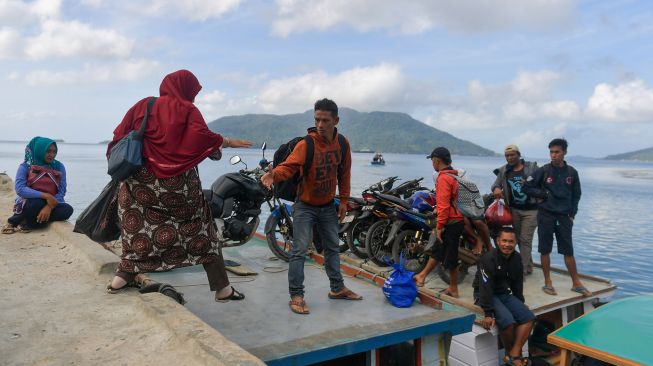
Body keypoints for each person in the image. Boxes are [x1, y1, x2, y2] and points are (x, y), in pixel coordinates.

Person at [106, 69, 252, 303]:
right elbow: (201, 139)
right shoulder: (187, 110)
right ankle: (222, 289)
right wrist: (223, 142)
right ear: (186, 90)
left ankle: (121, 278)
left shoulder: (144, 105)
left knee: (137, 231)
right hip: (179, 189)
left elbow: (119, 136)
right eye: (193, 92)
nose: (193, 98)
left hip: (139, 185)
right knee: (204, 231)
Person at [261, 98, 362, 315]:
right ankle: (296, 296)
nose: (320, 124)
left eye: (325, 120)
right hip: (305, 206)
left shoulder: (342, 144)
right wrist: (274, 175)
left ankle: (337, 288)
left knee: (332, 249)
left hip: (327, 206)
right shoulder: (306, 144)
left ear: (336, 120)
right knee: (299, 251)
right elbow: (288, 167)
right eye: (317, 119)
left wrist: (343, 200)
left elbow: (344, 174)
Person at [524, 138, 592, 297]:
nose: (553, 155)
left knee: (568, 250)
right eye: (551, 152)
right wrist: (542, 194)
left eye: (557, 152)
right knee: (545, 249)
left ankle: (576, 283)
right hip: (545, 215)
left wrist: (572, 214)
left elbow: (577, 194)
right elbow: (526, 186)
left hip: (564, 217)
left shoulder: (572, 172)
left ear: (564, 153)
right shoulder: (543, 170)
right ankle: (548, 283)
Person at [473, 227, 534, 366]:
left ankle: (513, 353)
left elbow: (517, 284)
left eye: (511, 241)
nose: (507, 244)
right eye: (504, 241)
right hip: (484, 293)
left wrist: (520, 303)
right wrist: (488, 313)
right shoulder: (488, 259)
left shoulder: (517, 258)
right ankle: (511, 356)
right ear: (498, 241)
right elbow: (485, 287)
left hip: (503, 293)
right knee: (508, 321)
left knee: (529, 318)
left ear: (516, 242)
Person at [413, 147, 465, 297]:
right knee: (438, 250)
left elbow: (443, 205)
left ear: (437, 160)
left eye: (432, 160)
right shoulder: (454, 175)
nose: (432, 163)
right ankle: (421, 276)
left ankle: (454, 288)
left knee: (451, 256)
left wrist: (440, 226)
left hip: (451, 222)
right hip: (456, 219)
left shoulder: (443, 178)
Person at [2, 137, 74, 234]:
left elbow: (61, 191)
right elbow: (20, 189)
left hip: (52, 202)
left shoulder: (59, 167)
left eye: (54, 152)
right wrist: (45, 196)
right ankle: (13, 222)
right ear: (39, 150)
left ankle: (27, 223)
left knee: (67, 210)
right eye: (48, 151)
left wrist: (49, 206)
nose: (52, 155)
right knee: (36, 203)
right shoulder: (25, 166)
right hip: (30, 202)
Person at [491, 144, 539, 275]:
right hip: (514, 210)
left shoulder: (531, 167)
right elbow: (496, 184)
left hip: (532, 210)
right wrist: (496, 188)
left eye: (512, 155)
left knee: (525, 239)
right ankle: (528, 266)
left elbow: (541, 182)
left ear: (519, 155)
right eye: (507, 155)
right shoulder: (504, 170)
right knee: (518, 238)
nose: (510, 157)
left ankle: (520, 271)